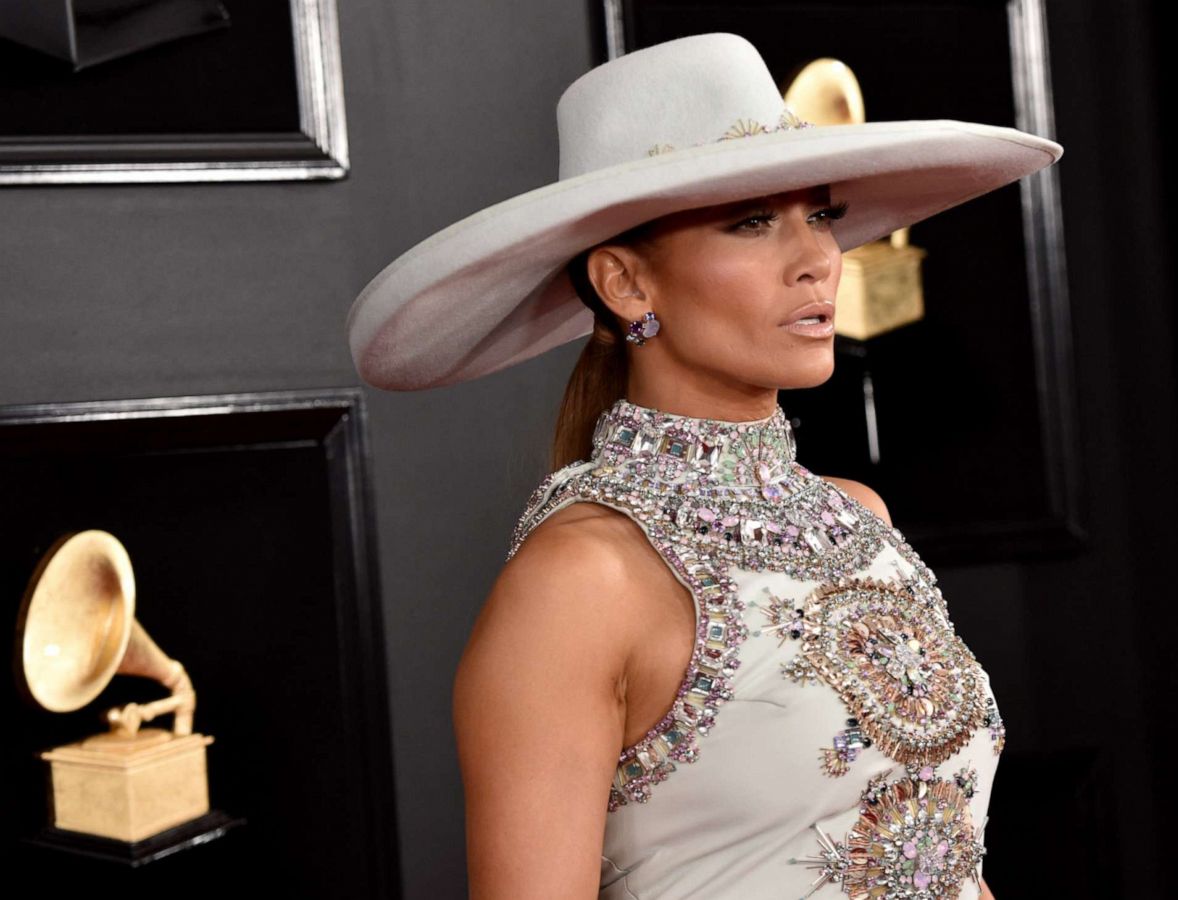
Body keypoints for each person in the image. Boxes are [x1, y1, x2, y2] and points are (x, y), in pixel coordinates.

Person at [346, 31, 1060, 900]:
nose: (819, 259)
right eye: (754, 221)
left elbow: (954, 867)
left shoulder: (860, 519)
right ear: (625, 283)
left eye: (821, 214)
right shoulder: (580, 581)